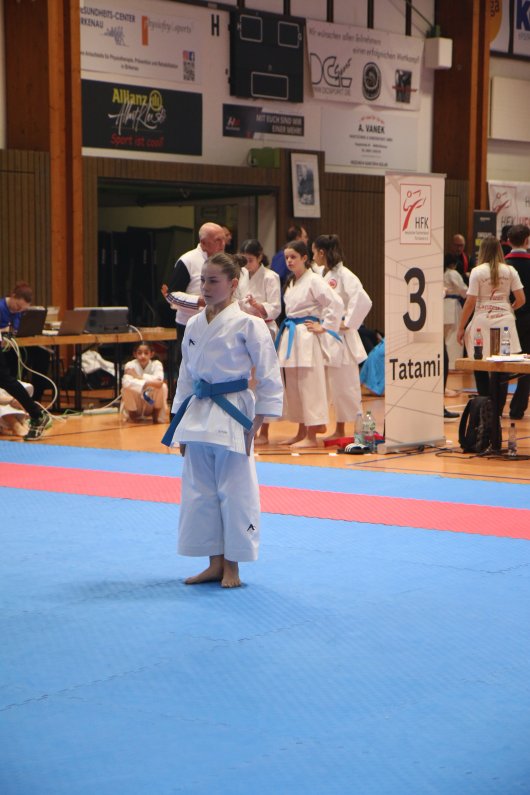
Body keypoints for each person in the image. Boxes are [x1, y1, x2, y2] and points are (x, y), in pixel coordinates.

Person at [161, 252, 283, 588]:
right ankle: (213, 563)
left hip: (233, 410)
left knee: (235, 490)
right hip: (198, 411)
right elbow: (186, 376)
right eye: (203, 280)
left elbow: (269, 375)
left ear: (233, 284)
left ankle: (233, 567)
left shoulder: (249, 324)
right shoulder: (194, 324)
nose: (206, 286)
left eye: (213, 280)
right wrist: (178, 423)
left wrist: (257, 422)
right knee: (200, 490)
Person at [275, 240, 344, 447]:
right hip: (292, 334)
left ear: (305, 258)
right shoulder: (291, 282)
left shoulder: (314, 280)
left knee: (310, 385)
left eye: (293, 257)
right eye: (287, 257)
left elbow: (335, 302)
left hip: (307, 335)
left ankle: (312, 436)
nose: (289, 261)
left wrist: (325, 326)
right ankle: (301, 432)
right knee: (294, 386)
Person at [312, 234, 372, 440]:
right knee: (330, 387)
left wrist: (348, 322)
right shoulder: (321, 273)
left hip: (342, 337)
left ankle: (352, 430)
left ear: (321, 252)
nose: (313, 257)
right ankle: (332, 427)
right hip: (325, 334)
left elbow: (363, 299)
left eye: (314, 253)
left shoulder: (345, 275)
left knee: (346, 386)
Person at [457, 235, 525, 407]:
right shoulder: (510, 270)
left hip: (482, 321)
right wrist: (508, 308)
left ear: (483, 251)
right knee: (502, 369)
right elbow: (521, 299)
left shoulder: (477, 271)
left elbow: (470, 302)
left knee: (479, 364)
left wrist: (461, 327)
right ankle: (498, 410)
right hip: (505, 323)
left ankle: (485, 407)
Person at [161, 222, 226, 377]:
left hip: (218, 324)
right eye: (218, 240)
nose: (223, 244)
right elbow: (171, 295)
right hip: (190, 325)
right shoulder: (187, 260)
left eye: (224, 239)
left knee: (215, 370)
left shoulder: (225, 262)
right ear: (203, 242)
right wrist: (199, 301)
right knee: (189, 372)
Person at [237, 239, 282, 446]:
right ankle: (248, 425)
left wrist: (258, 306)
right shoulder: (240, 275)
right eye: (244, 260)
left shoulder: (271, 277)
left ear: (260, 257)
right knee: (247, 380)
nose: (247, 264)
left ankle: (264, 430)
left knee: (264, 377)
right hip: (244, 329)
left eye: (250, 260)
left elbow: (275, 307)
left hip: (265, 328)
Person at [0, 281, 51, 403]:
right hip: (5, 347)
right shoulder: (1, 307)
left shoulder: (20, 312)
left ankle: (35, 398)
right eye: (18, 306)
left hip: (18, 344)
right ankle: (14, 397)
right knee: (14, 357)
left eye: (22, 309)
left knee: (43, 355)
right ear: (13, 296)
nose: (18, 310)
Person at [504, 224, 530, 418]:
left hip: (505, 319)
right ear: (527, 240)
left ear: (508, 241)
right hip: (528, 319)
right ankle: (517, 408)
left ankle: (496, 406)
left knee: (502, 361)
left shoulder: (502, 265)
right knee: (527, 363)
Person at [121, 341, 168, 424]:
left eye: (146, 353)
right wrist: (147, 383)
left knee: (163, 387)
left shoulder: (157, 364)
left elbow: (159, 383)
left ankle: (156, 416)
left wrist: (138, 377)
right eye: (139, 353)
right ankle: (133, 416)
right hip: (137, 404)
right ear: (135, 354)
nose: (143, 356)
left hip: (151, 404)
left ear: (151, 354)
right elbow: (126, 383)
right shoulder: (130, 365)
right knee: (125, 389)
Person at [443, 256, 468, 369]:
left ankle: (445, 363)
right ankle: (453, 363)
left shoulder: (442, 273)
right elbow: (463, 290)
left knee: (445, 336)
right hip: (453, 305)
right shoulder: (452, 273)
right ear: (453, 264)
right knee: (453, 335)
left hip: (443, 304)